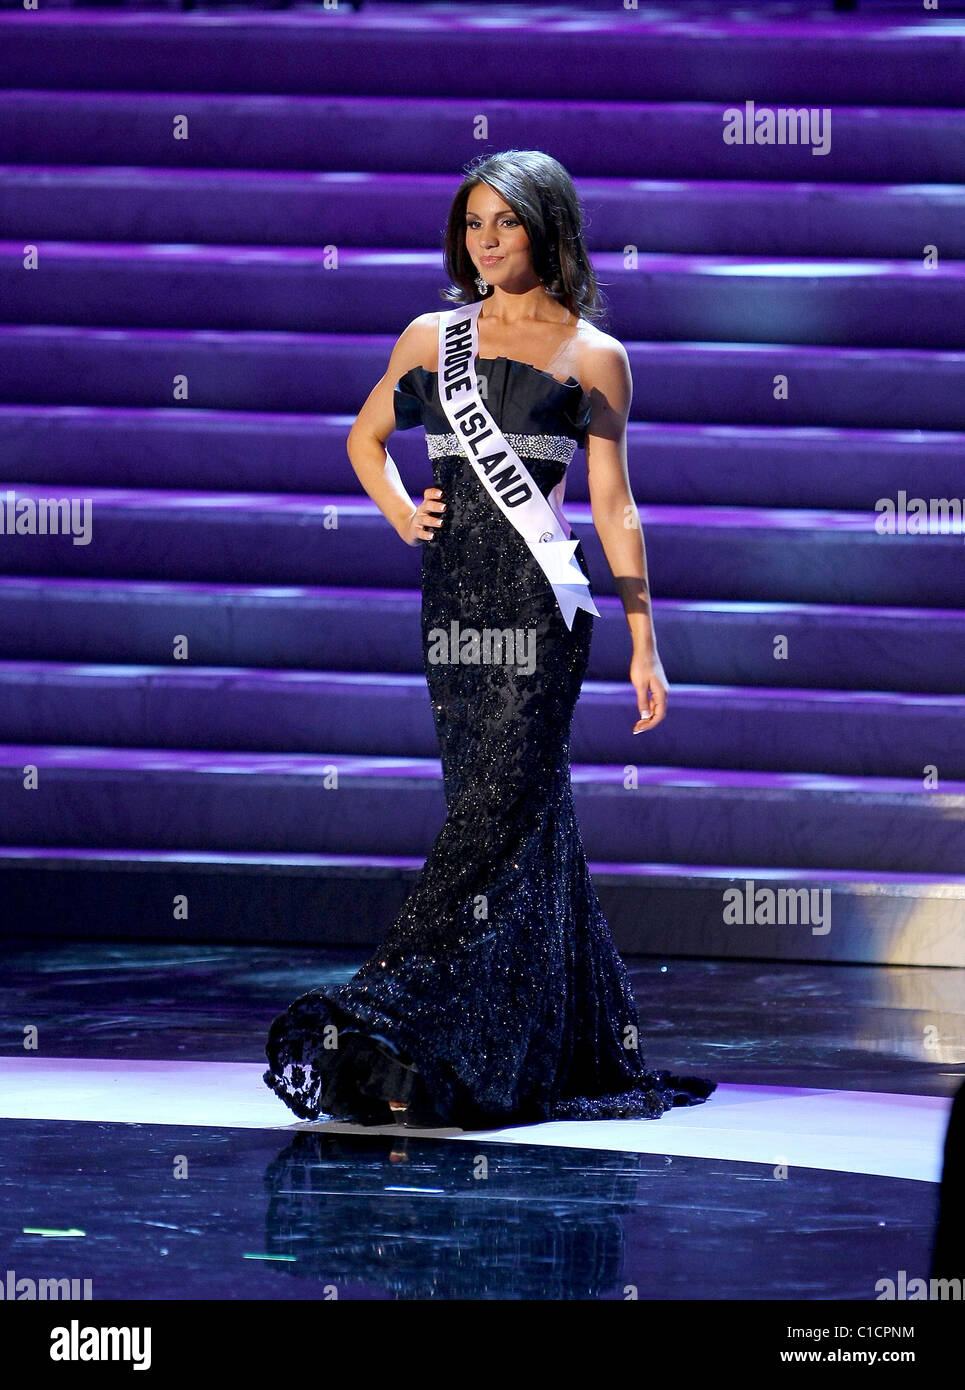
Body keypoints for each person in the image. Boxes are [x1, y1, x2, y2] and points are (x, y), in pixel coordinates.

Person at [263, 148, 716, 1129]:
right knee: (516, 828)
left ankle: (383, 1026)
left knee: (486, 832)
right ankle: (553, 1048)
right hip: (453, 611)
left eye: (503, 223)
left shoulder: (595, 356)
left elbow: (613, 504)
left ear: (546, 230)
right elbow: (361, 439)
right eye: (471, 225)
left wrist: (644, 637)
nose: (484, 242)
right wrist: (397, 512)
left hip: (542, 615)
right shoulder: (432, 338)